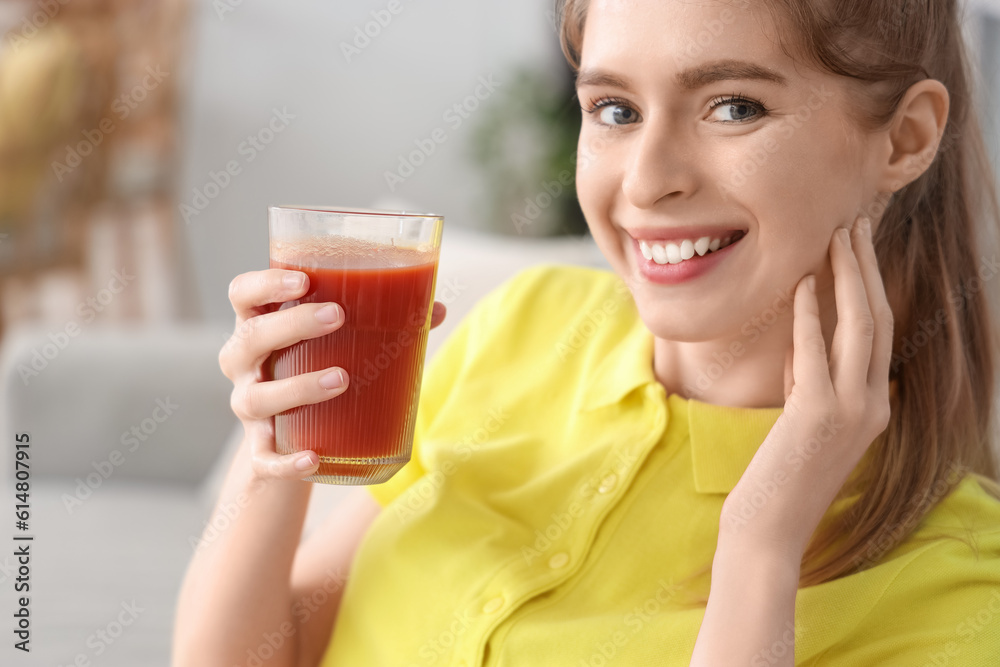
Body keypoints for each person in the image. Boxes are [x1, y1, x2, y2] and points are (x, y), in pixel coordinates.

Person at [173, 0, 1000, 665]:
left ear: (905, 137)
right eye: (615, 109)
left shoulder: (959, 581)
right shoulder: (525, 326)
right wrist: (273, 451)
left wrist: (760, 546)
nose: (646, 181)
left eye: (732, 106)